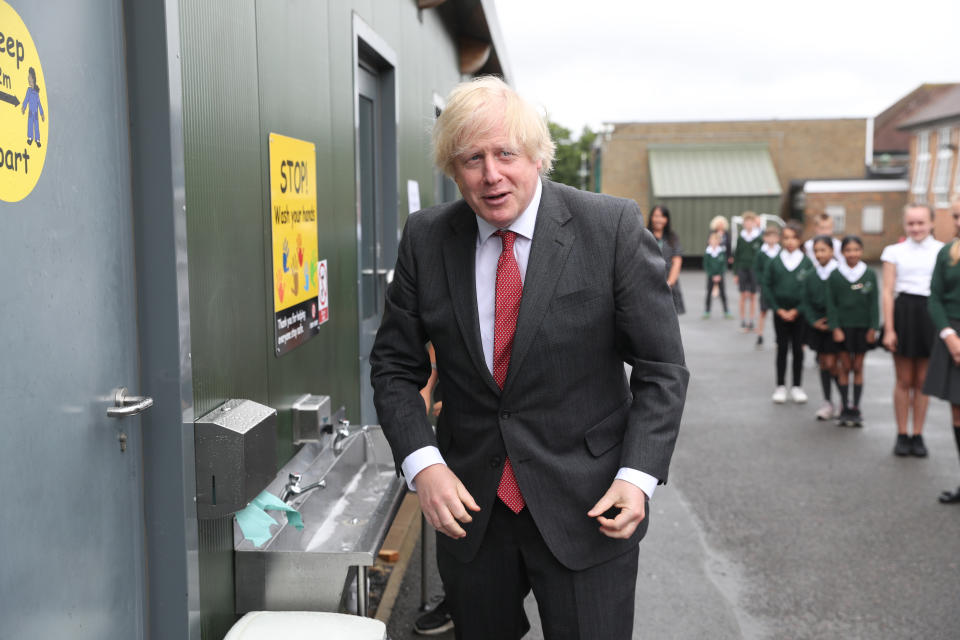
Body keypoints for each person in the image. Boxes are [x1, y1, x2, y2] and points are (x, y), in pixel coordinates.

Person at [369, 76, 689, 640]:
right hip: (472, 509)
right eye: (472, 159)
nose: (491, 175)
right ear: (452, 167)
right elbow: (395, 365)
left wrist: (637, 476)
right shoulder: (426, 237)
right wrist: (424, 465)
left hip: (590, 503)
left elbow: (661, 369)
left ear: (538, 156)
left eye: (505, 154)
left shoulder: (610, 227)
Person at [880, 204, 943, 456]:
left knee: (922, 381)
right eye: (911, 223)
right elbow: (887, 290)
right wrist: (889, 329)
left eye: (921, 223)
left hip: (930, 313)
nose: (916, 228)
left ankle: (918, 434)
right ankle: (901, 433)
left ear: (932, 223)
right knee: (904, 380)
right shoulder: (893, 251)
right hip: (904, 311)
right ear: (905, 224)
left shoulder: (943, 251)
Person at [923, 196, 960, 504]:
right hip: (953, 336)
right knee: (958, 411)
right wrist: (949, 336)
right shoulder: (946, 254)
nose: (959, 222)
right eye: (957, 217)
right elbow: (934, 297)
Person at [827, 236, 879, 427]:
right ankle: (844, 406)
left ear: (861, 251)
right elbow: (831, 303)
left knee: (858, 366)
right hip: (843, 328)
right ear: (842, 252)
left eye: (856, 249)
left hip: (862, 327)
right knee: (844, 366)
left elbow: (874, 302)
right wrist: (835, 327)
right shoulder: (835, 275)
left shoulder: (869, 274)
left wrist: (874, 327)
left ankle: (856, 407)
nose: (852, 254)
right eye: (848, 250)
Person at [762, 221, 812, 404]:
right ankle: (781, 386)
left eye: (794, 238)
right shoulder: (775, 262)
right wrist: (778, 308)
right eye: (787, 238)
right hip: (780, 313)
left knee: (798, 349)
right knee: (782, 348)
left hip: (799, 315)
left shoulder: (806, 263)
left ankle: (797, 386)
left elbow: (809, 289)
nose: (790, 242)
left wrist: (798, 310)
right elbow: (767, 285)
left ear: (800, 240)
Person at [800, 235, 840, 420]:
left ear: (832, 251)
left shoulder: (840, 273)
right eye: (816, 251)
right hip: (818, 326)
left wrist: (834, 322)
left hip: (836, 327)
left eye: (823, 250)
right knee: (824, 363)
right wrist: (814, 321)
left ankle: (845, 401)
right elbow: (806, 301)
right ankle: (827, 402)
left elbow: (850, 295)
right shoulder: (810, 276)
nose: (819, 254)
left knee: (835, 364)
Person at [649, 204, 685, 315]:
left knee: (670, 322)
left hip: (670, 286)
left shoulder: (672, 237)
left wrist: (669, 283)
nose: (658, 219)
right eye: (656, 216)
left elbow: (677, 261)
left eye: (662, 216)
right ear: (651, 217)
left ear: (667, 219)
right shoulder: (644, 235)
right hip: (649, 286)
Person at [733, 212, 763, 332]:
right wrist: (735, 273)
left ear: (754, 223)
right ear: (744, 224)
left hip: (754, 270)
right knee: (743, 295)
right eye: (746, 222)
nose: (748, 224)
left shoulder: (759, 238)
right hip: (742, 269)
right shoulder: (741, 238)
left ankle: (751, 321)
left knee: (753, 296)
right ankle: (743, 321)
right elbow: (736, 256)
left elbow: (762, 257)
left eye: (750, 222)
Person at [753, 225, 781, 348]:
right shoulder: (761, 253)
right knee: (763, 312)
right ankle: (760, 335)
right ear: (764, 238)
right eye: (768, 236)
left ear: (778, 238)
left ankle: (778, 338)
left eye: (774, 236)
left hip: (778, 288)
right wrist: (762, 282)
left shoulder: (780, 252)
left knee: (777, 314)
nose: (771, 239)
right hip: (766, 288)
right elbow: (757, 269)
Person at [703, 231, 730, 319]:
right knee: (709, 293)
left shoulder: (721, 252)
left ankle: (726, 311)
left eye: (716, 240)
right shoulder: (707, 253)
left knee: (723, 293)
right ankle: (707, 311)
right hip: (711, 277)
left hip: (720, 277)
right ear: (709, 241)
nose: (714, 242)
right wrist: (712, 275)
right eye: (712, 240)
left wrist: (719, 275)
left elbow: (723, 265)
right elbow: (706, 265)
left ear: (719, 241)